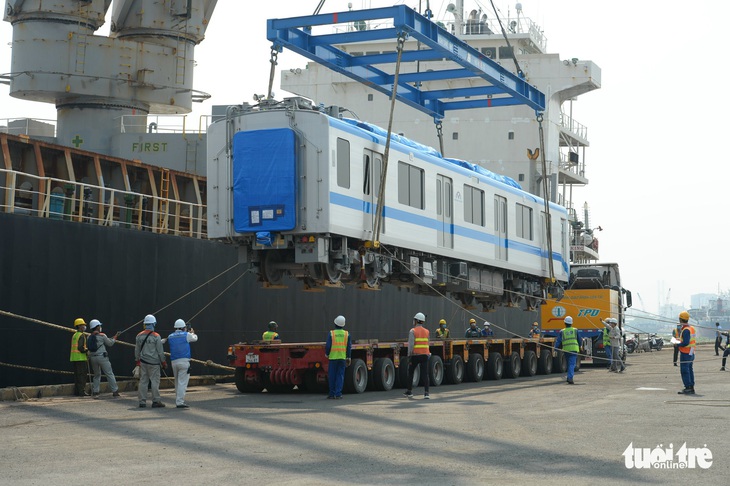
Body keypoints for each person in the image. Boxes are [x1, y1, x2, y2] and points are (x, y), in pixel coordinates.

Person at [135, 314, 167, 408]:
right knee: (154, 382)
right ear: (154, 324)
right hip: (154, 363)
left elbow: (137, 350)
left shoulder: (139, 336)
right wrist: (164, 362)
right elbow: (160, 352)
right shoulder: (156, 336)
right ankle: (156, 401)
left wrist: (137, 361)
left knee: (143, 381)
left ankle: (142, 401)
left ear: (145, 324)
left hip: (143, 362)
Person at [167, 319, 198, 409]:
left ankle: (178, 399)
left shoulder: (170, 336)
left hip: (174, 362)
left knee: (177, 382)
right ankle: (180, 402)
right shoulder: (187, 335)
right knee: (182, 383)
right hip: (184, 361)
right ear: (183, 327)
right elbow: (195, 338)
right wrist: (192, 333)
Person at [87, 319, 121, 399]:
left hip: (92, 358)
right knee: (109, 373)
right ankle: (115, 391)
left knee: (96, 375)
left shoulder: (89, 336)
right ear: (97, 327)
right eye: (99, 326)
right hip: (102, 357)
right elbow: (110, 343)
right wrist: (115, 337)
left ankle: (95, 392)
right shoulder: (102, 335)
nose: (100, 327)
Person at [404, 312, 431, 399]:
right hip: (425, 355)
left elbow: (411, 345)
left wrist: (409, 356)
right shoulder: (427, 331)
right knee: (425, 374)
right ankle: (426, 393)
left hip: (415, 355)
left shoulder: (412, 331)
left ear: (416, 321)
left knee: (411, 372)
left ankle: (409, 391)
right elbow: (427, 343)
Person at [325, 315, 351, 399]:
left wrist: (327, 353)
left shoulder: (331, 333)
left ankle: (332, 394)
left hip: (333, 358)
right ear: (343, 324)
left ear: (335, 323)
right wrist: (348, 357)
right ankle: (338, 394)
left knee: (332, 376)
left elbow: (328, 346)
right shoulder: (347, 334)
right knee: (340, 376)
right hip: (342, 358)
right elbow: (348, 347)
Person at [554, 316, 579, 384]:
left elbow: (558, 341)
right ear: (571, 323)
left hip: (566, 350)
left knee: (569, 364)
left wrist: (555, 349)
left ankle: (569, 377)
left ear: (565, 323)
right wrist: (581, 346)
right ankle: (570, 378)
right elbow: (579, 340)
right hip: (574, 349)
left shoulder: (562, 331)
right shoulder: (575, 330)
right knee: (572, 364)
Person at [677, 310, 696, 395]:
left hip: (685, 353)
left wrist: (677, 344)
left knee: (685, 370)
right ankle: (691, 386)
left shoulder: (685, 330)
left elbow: (685, 343)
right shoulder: (691, 328)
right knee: (690, 370)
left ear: (680, 319)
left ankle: (688, 387)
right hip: (691, 352)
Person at [70, 318, 90, 397]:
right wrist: (87, 350)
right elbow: (81, 348)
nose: (84, 326)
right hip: (81, 358)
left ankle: (77, 391)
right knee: (82, 376)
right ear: (79, 326)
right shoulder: (81, 335)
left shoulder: (75, 335)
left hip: (74, 358)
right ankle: (82, 392)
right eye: (83, 325)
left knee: (77, 376)